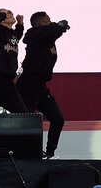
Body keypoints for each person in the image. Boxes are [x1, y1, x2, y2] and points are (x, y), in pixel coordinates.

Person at [17, 12, 69, 159]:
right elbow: (58, 26)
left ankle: (50, 153)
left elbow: (57, 29)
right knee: (25, 123)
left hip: (40, 87)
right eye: (48, 20)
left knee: (57, 119)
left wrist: (61, 27)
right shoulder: (36, 35)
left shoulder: (47, 38)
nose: (51, 22)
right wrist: (61, 25)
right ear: (42, 24)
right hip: (28, 86)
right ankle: (25, 154)